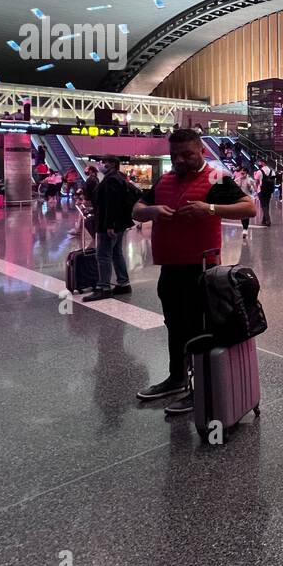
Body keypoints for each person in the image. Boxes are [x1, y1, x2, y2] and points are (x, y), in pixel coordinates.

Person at [131, 129, 254, 413]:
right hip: (170, 268)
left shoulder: (214, 177)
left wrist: (209, 208)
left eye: (187, 154)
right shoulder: (165, 180)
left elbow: (249, 208)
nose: (181, 160)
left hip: (201, 269)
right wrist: (152, 212)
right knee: (174, 326)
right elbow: (137, 209)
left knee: (200, 329)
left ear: (202, 151)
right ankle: (176, 378)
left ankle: (200, 387)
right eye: (175, 155)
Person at [84, 156, 136, 302]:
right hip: (119, 223)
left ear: (112, 164)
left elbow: (112, 204)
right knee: (116, 253)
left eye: (104, 162)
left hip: (109, 224)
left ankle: (104, 287)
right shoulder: (119, 178)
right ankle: (123, 283)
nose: (101, 165)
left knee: (103, 255)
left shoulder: (112, 180)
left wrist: (110, 224)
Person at [234, 166, 257, 241]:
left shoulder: (250, 180)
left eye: (243, 172)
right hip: (240, 199)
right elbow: (234, 187)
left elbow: (254, 190)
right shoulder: (238, 179)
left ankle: (245, 229)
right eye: (241, 172)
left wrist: (250, 187)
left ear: (246, 173)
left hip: (248, 199)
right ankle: (244, 228)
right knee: (242, 214)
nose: (242, 173)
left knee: (246, 214)